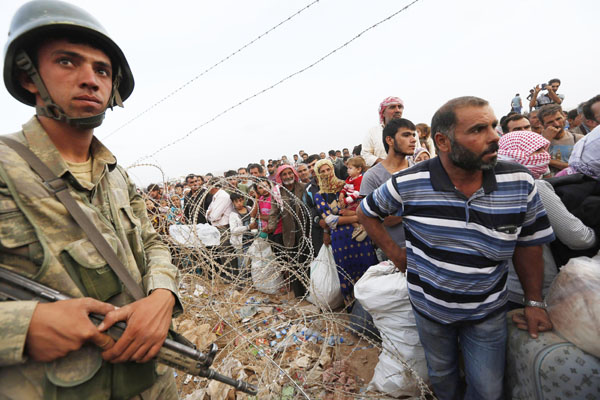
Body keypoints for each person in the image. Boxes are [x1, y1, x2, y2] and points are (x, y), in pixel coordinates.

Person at [0, 1, 181, 398]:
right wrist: (23, 325)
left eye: (102, 70)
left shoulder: (116, 175)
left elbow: (152, 244)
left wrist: (162, 295)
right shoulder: (5, 167)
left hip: (151, 385)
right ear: (28, 76)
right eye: (67, 62)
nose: (90, 79)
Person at [358, 96, 555, 400]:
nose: (494, 137)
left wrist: (534, 302)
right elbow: (367, 212)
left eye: (492, 126)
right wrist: (396, 254)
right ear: (443, 141)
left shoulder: (517, 180)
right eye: (478, 130)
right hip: (430, 308)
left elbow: (528, 243)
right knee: (442, 375)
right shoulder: (409, 182)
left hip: (488, 309)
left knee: (488, 388)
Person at [497, 130, 596, 308]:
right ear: (515, 154)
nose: (544, 156)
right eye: (536, 152)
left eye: (545, 150)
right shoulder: (535, 187)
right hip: (536, 292)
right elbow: (578, 238)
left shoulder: (492, 183)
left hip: (501, 287)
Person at [314, 159, 378, 304]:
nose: (326, 173)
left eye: (328, 170)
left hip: (360, 234)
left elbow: (363, 203)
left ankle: (375, 302)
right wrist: (357, 217)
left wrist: (354, 217)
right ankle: (354, 308)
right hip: (340, 238)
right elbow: (330, 220)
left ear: (333, 170)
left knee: (368, 266)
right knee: (347, 271)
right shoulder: (320, 195)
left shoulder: (347, 185)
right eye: (322, 171)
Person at [359, 118, 416, 262]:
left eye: (413, 135)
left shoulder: (419, 171)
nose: (413, 140)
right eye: (406, 135)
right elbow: (374, 219)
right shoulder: (372, 177)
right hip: (393, 253)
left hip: (423, 247)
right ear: (389, 140)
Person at [266, 165, 310, 297]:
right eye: (284, 174)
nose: (287, 176)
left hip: (306, 231)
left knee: (308, 261)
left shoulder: (303, 187)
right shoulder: (278, 192)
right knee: (294, 264)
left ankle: (312, 292)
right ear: (280, 177)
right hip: (289, 233)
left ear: (294, 174)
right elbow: (274, 213)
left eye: (289, 173)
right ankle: (300, 294)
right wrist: (271, 226)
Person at [538, 104, 583, 174]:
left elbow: (581, 167)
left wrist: (549, 161)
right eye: (550, 122)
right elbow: (537, 162)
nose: (556, 124)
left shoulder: (578, 139)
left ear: (564, 117)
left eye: (558, 119)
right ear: (542, 124)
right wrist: (546, 140)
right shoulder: (536, 142)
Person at [361, 96, 405, 166]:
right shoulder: (373, 132)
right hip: (381, 174)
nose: (397, 110)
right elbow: (365, 154)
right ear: (383, 113)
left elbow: (417, 153)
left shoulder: (410, 131)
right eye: (392, 107)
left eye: (400, 107)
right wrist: (386, 163)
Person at [339, 156, 368, 241]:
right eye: (347, 168)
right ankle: (359, 227)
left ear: (358, 169)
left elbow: (357, 193)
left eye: (350, 168)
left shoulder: (359, 179)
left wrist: (345, 200)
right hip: (351, 201)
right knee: (343, 213)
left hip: (358, 201)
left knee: (346, 213)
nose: (348, 170)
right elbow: (345, 187)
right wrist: (342, 193)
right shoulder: (350, 178)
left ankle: (361, 227)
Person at [229, 192, 253, 281]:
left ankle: (251, 280)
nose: (239, 203)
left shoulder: (250, 209)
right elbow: (234, 230)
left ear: (243, 199)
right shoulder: (233, 214)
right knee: (243, 263)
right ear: (233, 203)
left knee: (252, 261)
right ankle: (243, 281)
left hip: (252, 239)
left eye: (240, 200)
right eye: (236, 202)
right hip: (241, 242)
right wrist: (248, 227)